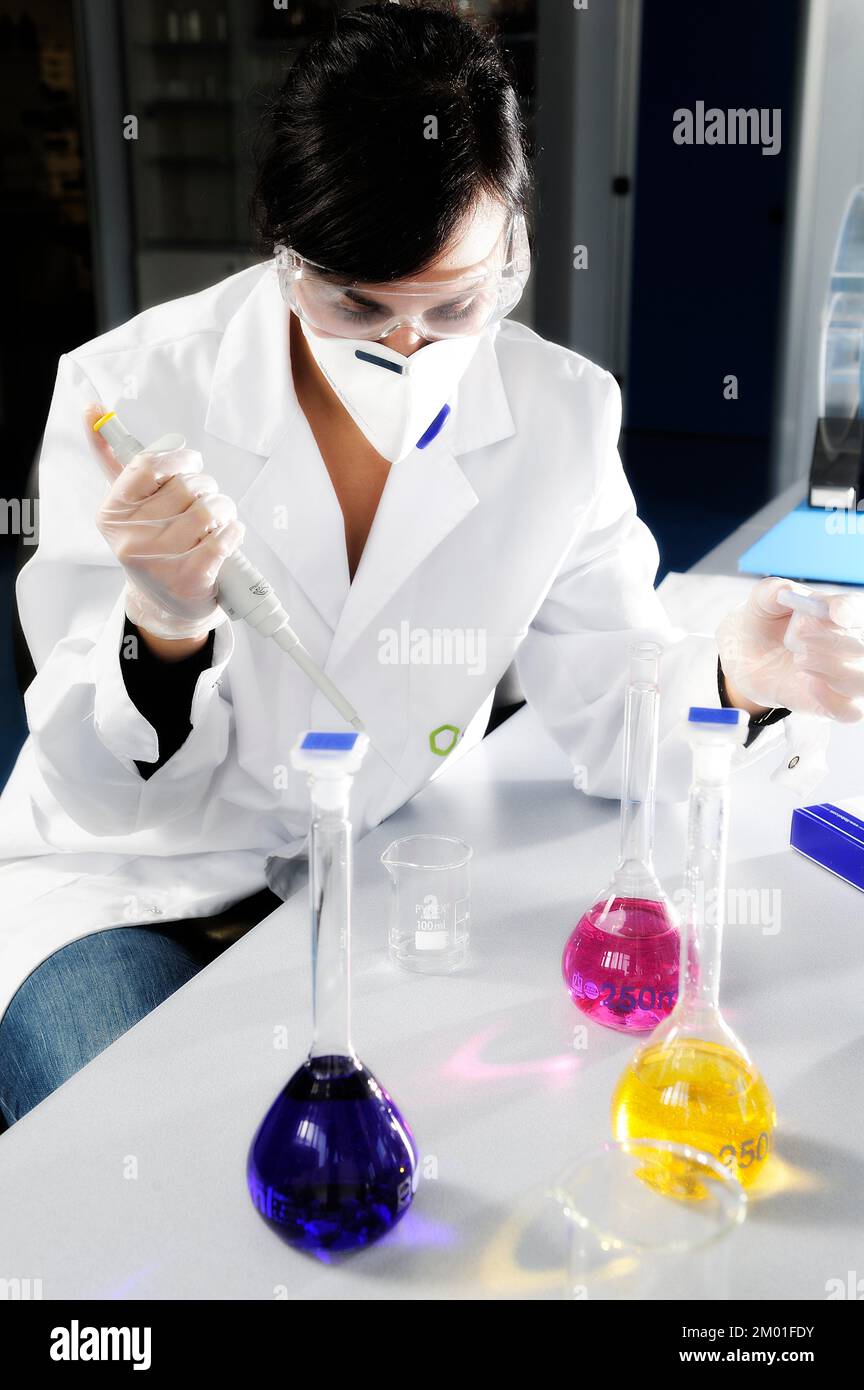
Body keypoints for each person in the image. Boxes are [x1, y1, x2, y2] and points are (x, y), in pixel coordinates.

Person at [0, 1, 861, 1129]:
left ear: (516, 247)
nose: (407, 348)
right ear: (282, 248)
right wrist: (159, 627)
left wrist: (733, 674)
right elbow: (90, 782)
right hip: (123, 887)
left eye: (455, 304)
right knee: (134, 1147)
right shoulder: (133, 391)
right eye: (355, 304)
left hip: (366, 873)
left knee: (478, 1142)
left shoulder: (560, 415)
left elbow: (609, 706)